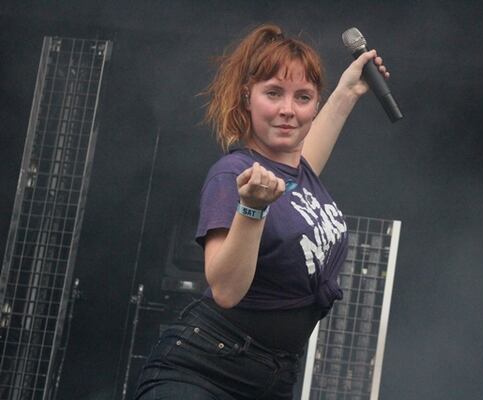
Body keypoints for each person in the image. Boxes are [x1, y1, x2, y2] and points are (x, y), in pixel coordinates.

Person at [134, 23, 389, 400]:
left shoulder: (299, 174)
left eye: (303, 97)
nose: (288, 110)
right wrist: (251, 209)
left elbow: (307, 151)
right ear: (247, 98)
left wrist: (348, 91)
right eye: (273, 93)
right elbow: (225, 289)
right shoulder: (233, 174)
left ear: (315, 105)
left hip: (270, 381)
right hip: (204, 372)